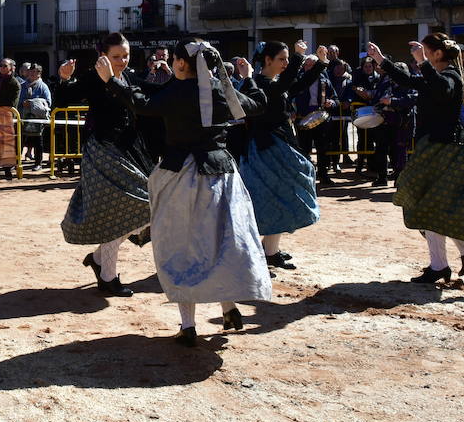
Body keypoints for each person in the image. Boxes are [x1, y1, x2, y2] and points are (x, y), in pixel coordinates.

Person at [101, 40, 270, 343]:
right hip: (220, 175)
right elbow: (256, 105)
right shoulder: (219, 88)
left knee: (181, 247)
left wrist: (112, 81)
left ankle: (188, 325)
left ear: (180, 63)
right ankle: (228, 306)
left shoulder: (177, 92)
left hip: (181, 175)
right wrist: (249, 78)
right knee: (221, 243)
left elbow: (142, 104)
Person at [367, 36, 464, 283]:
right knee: (427, 205)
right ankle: (460, 253)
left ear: (438, 54)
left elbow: (442, 89)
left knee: (428, 205)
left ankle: (446, 262)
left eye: (427, 52)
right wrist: (381, 60)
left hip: (449, 150)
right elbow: (408, 80)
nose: (423, 55)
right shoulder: (435, 76)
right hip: (435, 148)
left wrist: (423, 64)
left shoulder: (450, 76)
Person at [55, 33, 162, 297]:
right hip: (102, 151)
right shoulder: (93, 77)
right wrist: (64, 78)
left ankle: (100, 259)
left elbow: (150, 97)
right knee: (126, 207)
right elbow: (63, 99)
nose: (123, 60)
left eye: (125, 55)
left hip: (129, 151)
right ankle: (107, 276)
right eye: (117, 56)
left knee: (145, 206)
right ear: (103, 55)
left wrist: (169, 76)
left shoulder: (129, 76)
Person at [240, 41, 325, 271]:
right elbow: (285, 86)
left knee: (280, 198)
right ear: (267, 60)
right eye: (282, 59)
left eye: (287, 59)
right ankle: (261, 253)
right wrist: (299, 57)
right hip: (265, 149)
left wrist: (321, 64)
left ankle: (271, 251)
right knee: (270, 200)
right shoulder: (257, 82)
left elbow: (295, 86)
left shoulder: (273, 82)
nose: (286, 63)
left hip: (278, 144)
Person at [290, 42, 339, 185]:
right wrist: (292, 111)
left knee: (323, 149)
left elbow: (336, 99)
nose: (309, 68)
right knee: (304, 149)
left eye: (312, 65)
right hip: (302, 119)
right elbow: (289, 99)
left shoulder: (325, 80)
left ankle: (323, 175)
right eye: (307, 65)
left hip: (321, 120)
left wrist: (332, 102)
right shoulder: (298, 80)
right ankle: (305, 177)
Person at [18, 63, 53, 169]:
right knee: (20, 140)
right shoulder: (22, 86)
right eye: (31, 71)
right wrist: (23, 104)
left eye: (35, 72)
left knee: (38, 141)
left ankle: (38, 163)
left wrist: (33, 103)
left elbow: (48, 102)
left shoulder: (43, 87)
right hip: (23, 117)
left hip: (38, 119)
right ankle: (16, 161)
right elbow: (17, 101)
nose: (32, 74)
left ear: (39, 74)